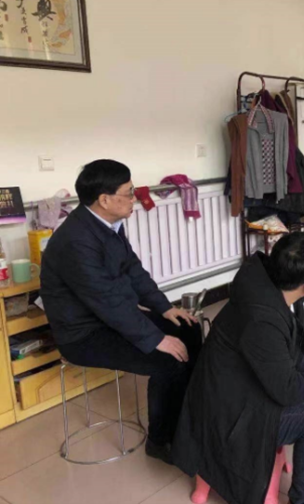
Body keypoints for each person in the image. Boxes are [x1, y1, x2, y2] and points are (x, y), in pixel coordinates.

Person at [173, 233, 304, 504]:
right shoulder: (261, 320)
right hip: (232, 415)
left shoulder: (276, 281)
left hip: (246, 383)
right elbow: (287, 391)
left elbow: (300, 327)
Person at [41, 159, 201, 464]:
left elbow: (133, 270)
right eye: (128, 192)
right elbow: (106, 300)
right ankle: (162, 440)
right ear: (104, 200)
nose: (135, 198)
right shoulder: (76, 241)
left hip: (111, 317)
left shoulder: (108, 225)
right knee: (168, 360)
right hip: (84, 334)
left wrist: (165, 308)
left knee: (188, 328)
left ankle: (191, 416)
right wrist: (156, 338)